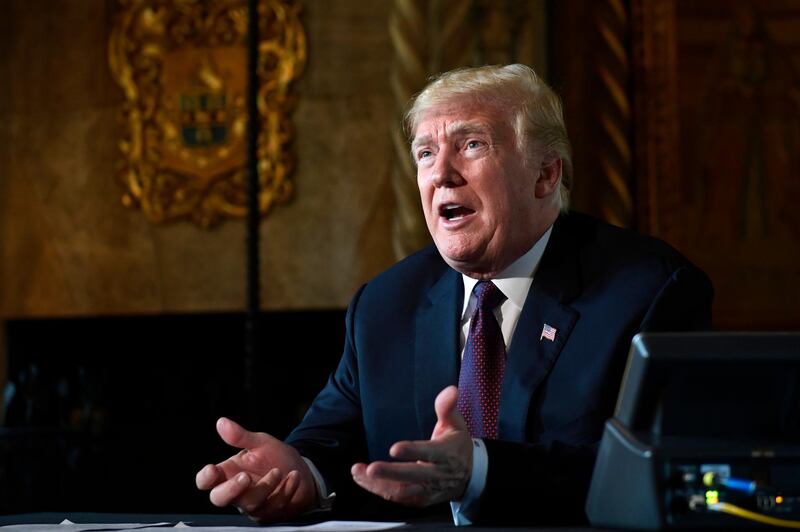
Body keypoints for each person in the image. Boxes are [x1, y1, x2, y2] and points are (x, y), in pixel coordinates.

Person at [195, 64, 712, 525]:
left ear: (545, 173)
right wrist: (300, 475)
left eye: (472, 144)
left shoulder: (649, 292)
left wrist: (479, 471)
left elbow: (654, 477)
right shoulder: (385, 304)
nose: (441, 173)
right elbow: (331, 440)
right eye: (425, 152)